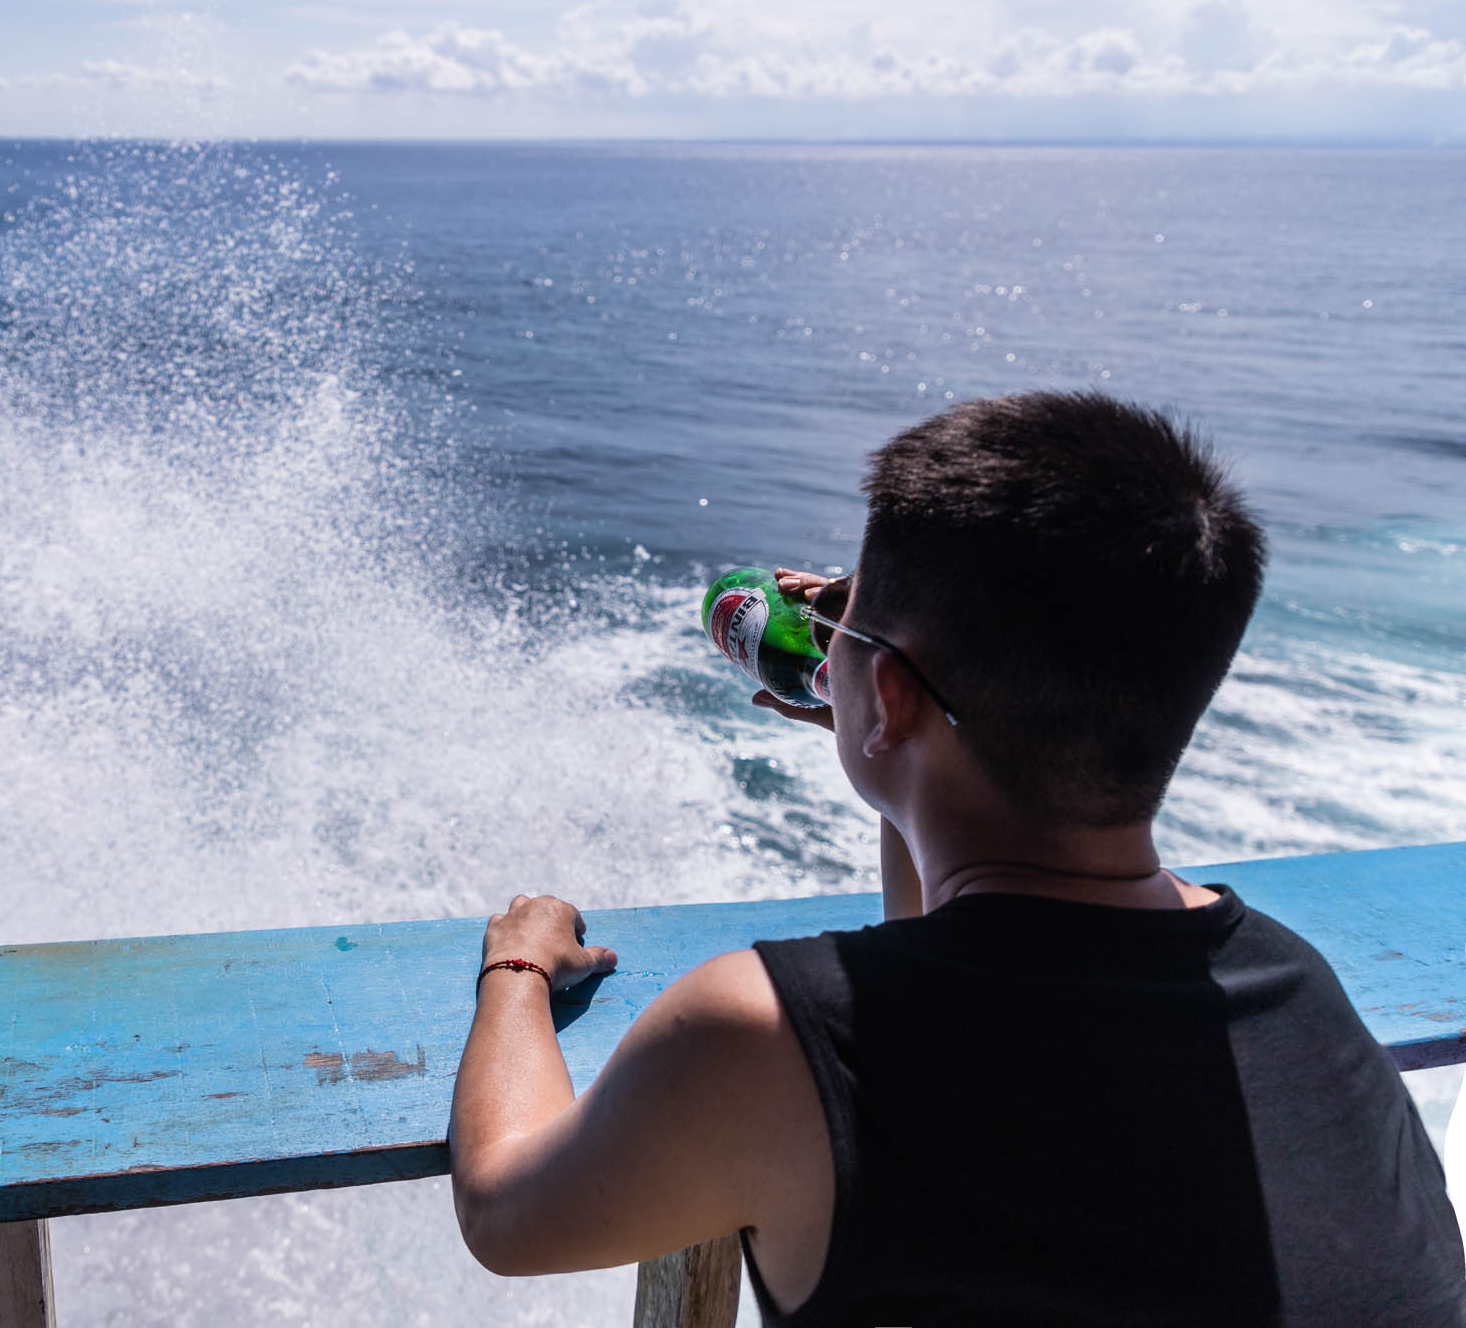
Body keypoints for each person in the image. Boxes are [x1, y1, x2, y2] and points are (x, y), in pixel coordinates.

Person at [448, 392, 1465, 1326]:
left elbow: (504, 1209)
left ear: (887, 693)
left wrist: (520, 963)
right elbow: (948, 980)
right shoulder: (1302, 994)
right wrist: (894, 733)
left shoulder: (757, 1034)